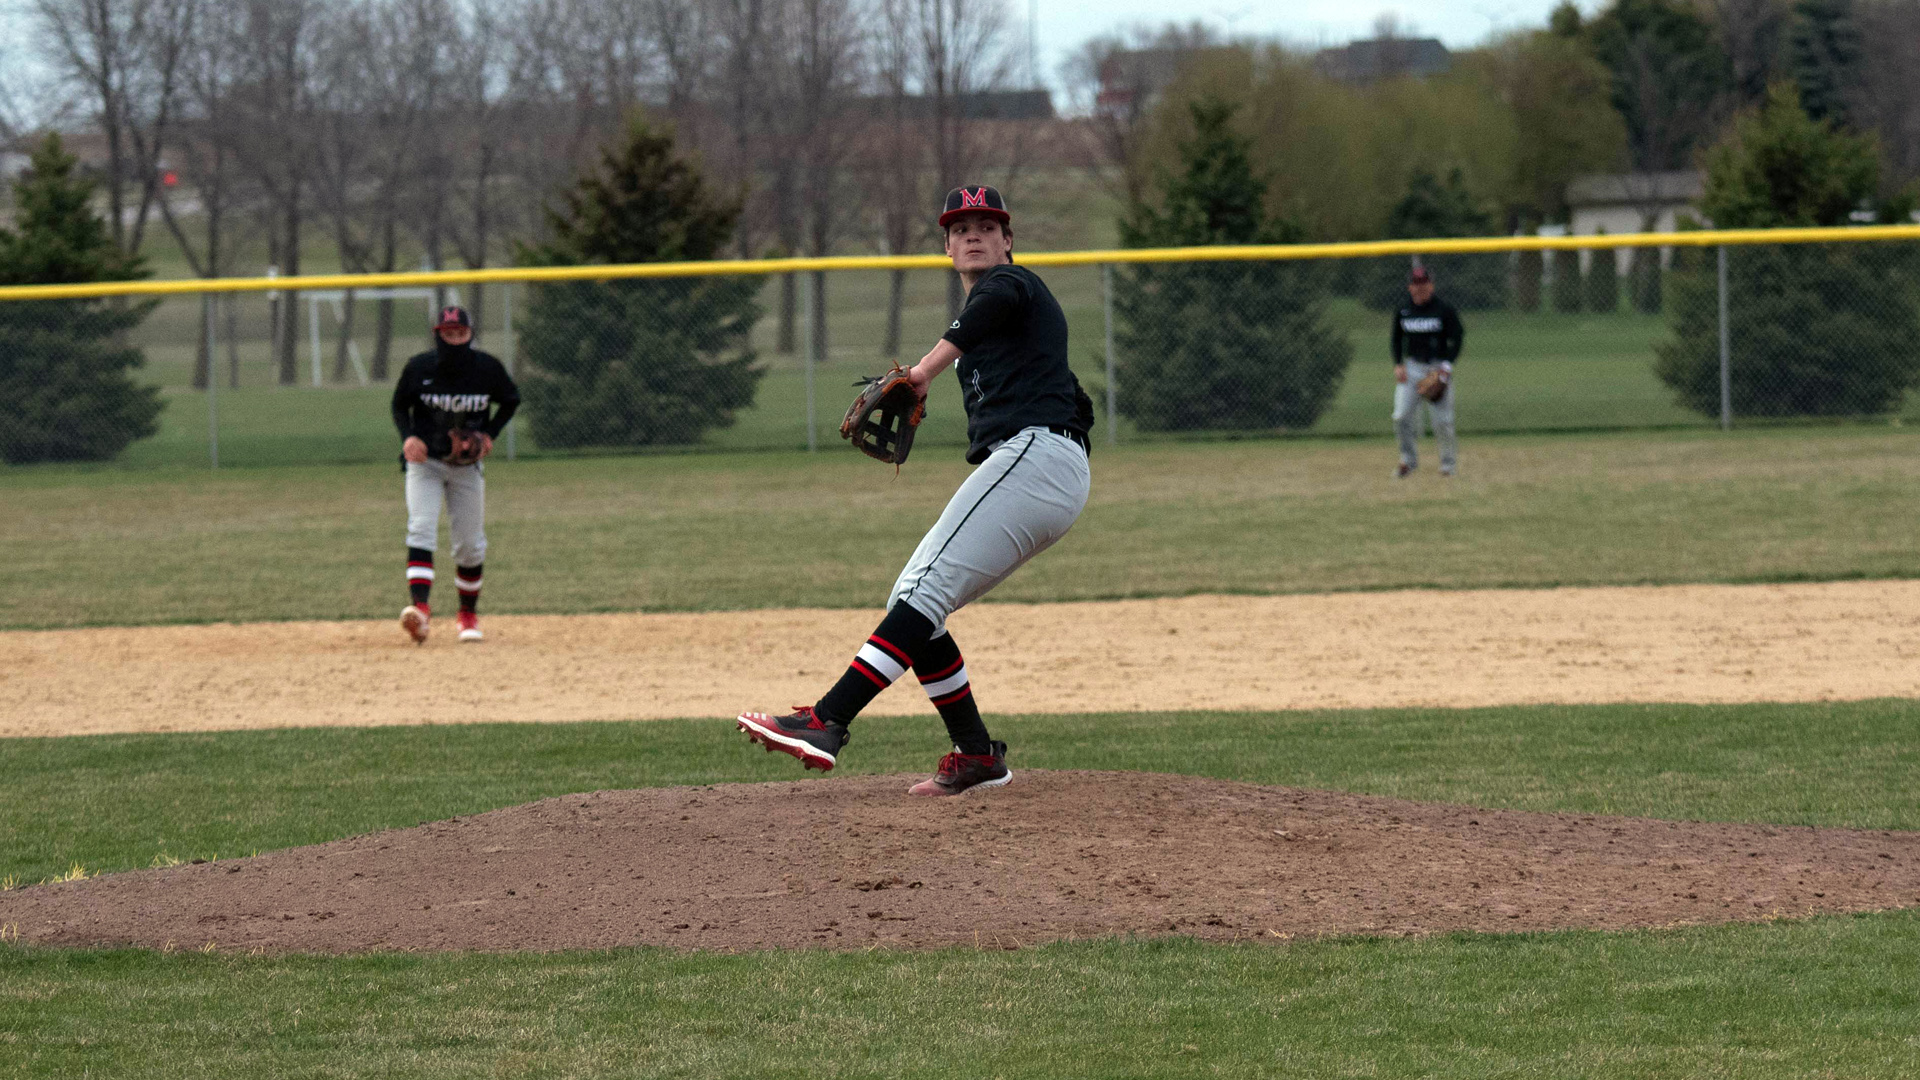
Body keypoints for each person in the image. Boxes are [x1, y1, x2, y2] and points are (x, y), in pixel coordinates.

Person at [736, 185, 1095, 796]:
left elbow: (991, 305)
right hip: (1041, 465)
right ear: (948, 247)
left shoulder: (1012, 285)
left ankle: (826, 720)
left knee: (923, 592)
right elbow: (1070, 393)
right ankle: (977, 755)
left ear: (1008, 241)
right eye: (960, 229)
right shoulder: (996, 324)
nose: (973, 234)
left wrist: (923, 371)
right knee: (913, 599)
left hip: (1036, 457)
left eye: (987, 225)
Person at [390, 305, 520, 644]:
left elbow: (511, 399)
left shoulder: (487, 369)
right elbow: (399, 405)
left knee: (470, 546)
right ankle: (420, 611)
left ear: (470, 334)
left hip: (466, 468)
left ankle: (467, 615)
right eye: (448, 334)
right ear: (438, 335)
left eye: (460, 333)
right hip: (426, 464)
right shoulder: (420, 368)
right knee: (421, 528)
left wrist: (490, 433)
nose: (455, 339)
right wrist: (409, 437)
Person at [1390, 266, 1465, 478]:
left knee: (1443, 421)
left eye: (1424, 283)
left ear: (1431, 285)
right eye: (1416, 283)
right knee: (1401, 416)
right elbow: (1396, 339)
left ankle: (1448, 465)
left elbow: (1458, 337)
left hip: (1437, 368)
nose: (1420, 287)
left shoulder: (1443, 310)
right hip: (1412, 368)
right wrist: (1398, 363)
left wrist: (1447, 366)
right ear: (1410, 287)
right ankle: (1408, 461)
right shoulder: (1403, 310)